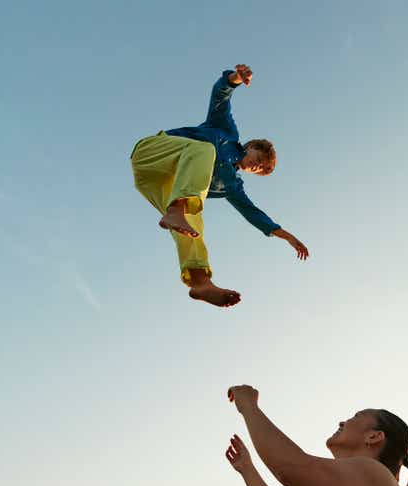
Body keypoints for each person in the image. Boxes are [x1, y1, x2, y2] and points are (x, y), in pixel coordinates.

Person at [130, 64, 309, 308]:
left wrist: (287, 236)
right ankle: (177, 208)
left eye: (261, 168)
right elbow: (220, 96)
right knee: (205, 151)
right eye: (260, 157)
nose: (258, 164)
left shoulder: (232, 186)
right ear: (250, 145)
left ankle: (200, 282)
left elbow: (253, 213)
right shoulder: (227, 132)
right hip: (151, 154)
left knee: (192, 223)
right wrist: (235, 79)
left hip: (155, 182)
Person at [225, 385, 408, 486]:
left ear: (374, 437)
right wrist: (247, 469)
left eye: (357, 415)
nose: (343, 421)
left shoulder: (377, 474)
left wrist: (249, 406)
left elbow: (290, 469)